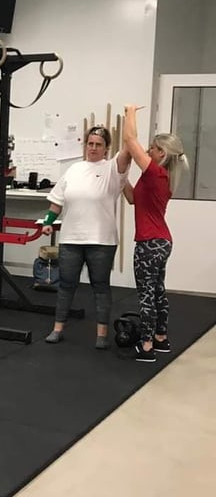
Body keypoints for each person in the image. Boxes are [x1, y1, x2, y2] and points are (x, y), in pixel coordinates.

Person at [41, 125, 130, 348]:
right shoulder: (74, 169)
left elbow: (128, 148)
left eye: (98, 144)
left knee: (100, 286)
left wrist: (130, 116)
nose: (93, 148)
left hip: (101, 241)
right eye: (90, 143)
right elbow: (57, 201)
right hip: (71, 239)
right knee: (66, 285)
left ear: (106, 148)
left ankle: (101, 335)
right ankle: (57, 329)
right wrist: (48, 222)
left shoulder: (113, 169)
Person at [121, 105, 189, 362]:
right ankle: (160, 337)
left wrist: (130, 112)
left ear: (162, 153)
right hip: (160, 241)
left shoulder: (156, 172)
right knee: (157, 290)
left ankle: (147, 345)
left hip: (150, 243)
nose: (148, 150)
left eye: (152, 147)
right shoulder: (157, 178)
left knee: (147, 294)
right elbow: (132, 199)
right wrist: (119, 177)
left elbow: (130, 140)